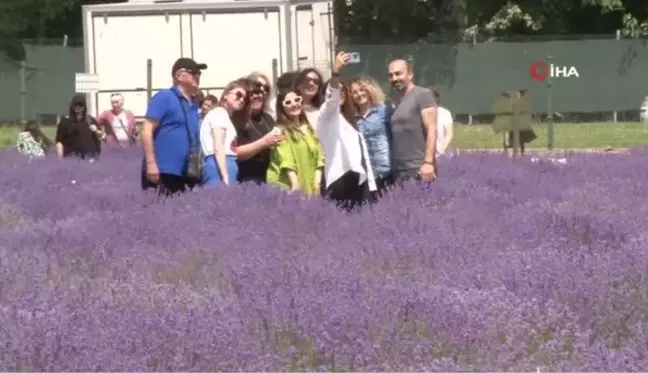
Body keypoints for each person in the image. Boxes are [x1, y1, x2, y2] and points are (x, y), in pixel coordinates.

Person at [317, 52, 377, 210]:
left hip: (358, 180)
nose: (340, 94)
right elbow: (332, 101)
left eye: (343, 91)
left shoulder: (350, 119)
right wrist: (335, 73)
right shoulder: (327, 115)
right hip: (340, 180)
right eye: (337, 91)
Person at [141, 57, 207, 196]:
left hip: (186, 173)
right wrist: (151, 164)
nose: (198, 76)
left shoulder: (193, 105)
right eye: (194, 72)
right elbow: (146, 130)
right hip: (162, 171)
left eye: (199, 73)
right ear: (179, 75)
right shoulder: (165, 97)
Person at [266, 89, 324, 196]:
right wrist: (295, 184)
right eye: (288, 102)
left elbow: (319, 157)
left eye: (297, 100)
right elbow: (285, 159)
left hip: (310, 184)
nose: (294, 104)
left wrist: (317, 182)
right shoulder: (279, 131)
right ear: (282, 108)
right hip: (287, 186)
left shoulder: (309, 130)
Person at [388, 59, 437, 182]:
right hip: (399, 169)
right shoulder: (396, 100)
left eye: (398, 73)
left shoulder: (422, 95)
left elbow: (432, 129)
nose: (394, 78)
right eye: (391, 75)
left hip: (418, 168)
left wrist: (428, 162)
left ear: (410, 74)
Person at [200, 79, 250, 186]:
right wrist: (225, 174)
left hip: (223, 163)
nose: (241, 100)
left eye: (244, 98)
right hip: (219, 164)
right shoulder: (220, 113)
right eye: (238, 95)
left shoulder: (223, 115)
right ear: (226, 95)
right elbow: (218, 145)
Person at [235, 74, 284, 184]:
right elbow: (235, 152)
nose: (260, 94)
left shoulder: (268, 118)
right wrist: (264, 142)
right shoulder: (237, 118)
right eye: (256, 90)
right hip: (246, 180)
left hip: (270, 178)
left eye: (265, 90)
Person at [349, 76, 392, 196]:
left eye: (362, 89)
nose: (359, 94)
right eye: (354, 92)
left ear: (369, 90)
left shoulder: (385, 111)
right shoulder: (352, 119)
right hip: (367, 175)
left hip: (387, 171)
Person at [55, 93, 103, 160]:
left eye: (81, 105)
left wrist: (96, 131)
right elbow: (59, 141)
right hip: (71, 159)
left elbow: (101, 135)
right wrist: (60, 158)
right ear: (72, 105)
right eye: (76, 104)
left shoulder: (90, 120)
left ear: (84, 106)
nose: (78, 107)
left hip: (90, 159)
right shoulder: (65, 122)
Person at [428, 86, 454, 157]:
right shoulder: (421, 113)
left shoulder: (445, 113)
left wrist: (442, 150)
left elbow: (449, 134)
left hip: (441, 153)